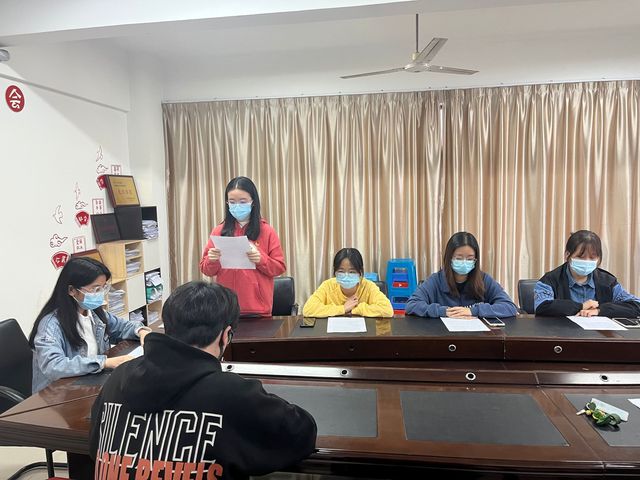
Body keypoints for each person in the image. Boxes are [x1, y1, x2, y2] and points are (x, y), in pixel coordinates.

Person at [89, 281, 317, 479]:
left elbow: (95, 447)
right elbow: (301, 433)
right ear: (225, 335)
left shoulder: (118, 377)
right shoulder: (232, 393)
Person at [29, 257, 150, 393]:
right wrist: (104, 362)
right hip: (57, 394)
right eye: (95, 289)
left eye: (103, 288)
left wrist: (142, 332)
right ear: (72, 290)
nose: (100, 294)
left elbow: (122, 327)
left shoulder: (94, 313)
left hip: (87, 383)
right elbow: (54, 366)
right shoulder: (51, 325)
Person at [200, 176, 286, 317]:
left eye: (243, 201)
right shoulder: (219, 231)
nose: (237, 206)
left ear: (253, 202)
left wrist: (261, 260)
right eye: (232, 202)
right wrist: (212, 260)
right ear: (227, 203)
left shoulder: (267, 231)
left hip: (258, 310)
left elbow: (279, 268)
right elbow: (206, 270)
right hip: (226, 308)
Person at [405, 232, 517, 318]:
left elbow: (509, 306)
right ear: (449, 258)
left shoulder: (484, 279)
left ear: (476, 260)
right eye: (459, 258)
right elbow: (411, 305)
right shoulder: (436, 280)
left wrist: (473, 311)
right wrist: (443, 311)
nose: (464, 262)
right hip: (444, 335)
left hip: (477, 336)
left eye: (469, 259)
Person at [534, 230, 640, 317]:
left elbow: (636, 305)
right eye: (581, 257)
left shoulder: (608, 282)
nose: (587, 261)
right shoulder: (550, 280)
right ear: (567, 255)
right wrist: (581, 306)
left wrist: (600, 310)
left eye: (592, 257)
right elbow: (542, 306)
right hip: (562, 333)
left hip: (599, 334)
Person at [303, 248, 393, 317]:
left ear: (360, 272)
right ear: (335, 272)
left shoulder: (368, 286)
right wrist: (343, 309)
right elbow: (308, 309)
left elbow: (387, 310)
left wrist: (355, 310)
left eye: (352, 272)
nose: (346, 276)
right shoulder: (328, 286)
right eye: (341, 271)